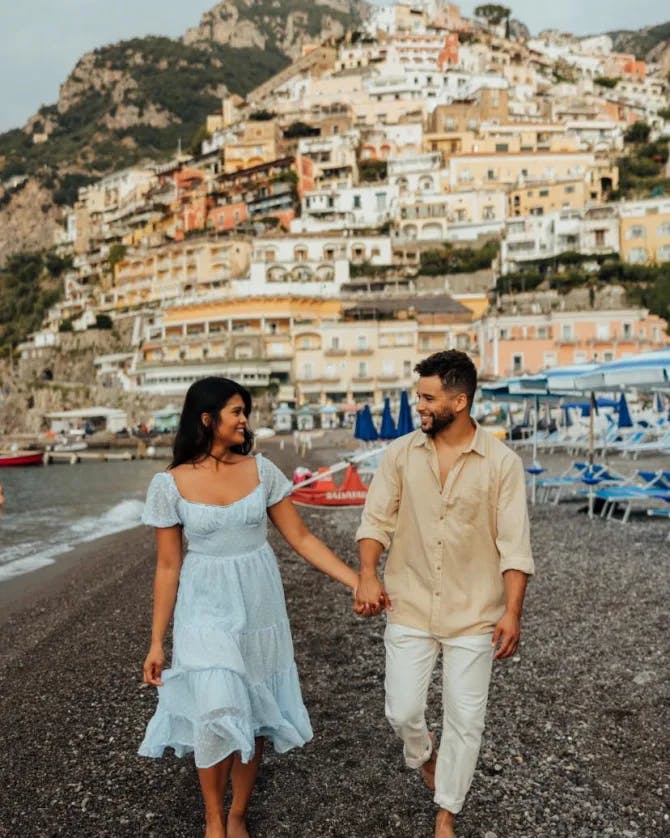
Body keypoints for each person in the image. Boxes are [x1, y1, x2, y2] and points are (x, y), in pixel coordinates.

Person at [140, 377, 359, 838]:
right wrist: (157, 642)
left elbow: (300, 538)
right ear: (207, 419)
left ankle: (238, 811)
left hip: (258, 604)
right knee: (215, 704)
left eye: (245, 412)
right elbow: (166, 566)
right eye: (237, 411)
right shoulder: (169, 483)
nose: (245, 420)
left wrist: (355, 580)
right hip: (202, 605)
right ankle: (213, 817)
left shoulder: (263, 470)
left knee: (253, 706)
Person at [354, 351, 534, 838]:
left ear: (460, 400)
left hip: (475, 612)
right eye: (419, 397)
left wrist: (512, 613)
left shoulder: (503, 464)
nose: (421, 406)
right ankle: (423, 754)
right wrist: (368, 572)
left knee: (466, 719)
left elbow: (515, 547)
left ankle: (446, 810)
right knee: (402, 710)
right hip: (408, 602)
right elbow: (376, 521)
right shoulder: (399, 453)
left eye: (429, 398)